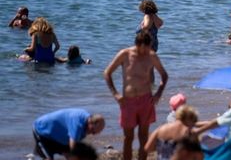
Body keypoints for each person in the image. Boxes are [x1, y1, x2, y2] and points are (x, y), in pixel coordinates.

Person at [104, 31, 169, 160]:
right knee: (128, 138)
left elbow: (164, 76)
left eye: (149, 47)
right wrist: (115, 94)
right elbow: (107, 73)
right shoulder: (125, 54)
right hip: (128, 102)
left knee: (143, 137)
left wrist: (158, 94)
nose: (147, 51)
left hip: (146, 100)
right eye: (145, 48)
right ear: (138, 45)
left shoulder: (151, 56)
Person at [32, 109, 105, 159]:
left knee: (70, 154)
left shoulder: (86, 124)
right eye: (92, 131)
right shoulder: (78, 123)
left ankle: (38, 152)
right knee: (49, 158)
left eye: (94, 133)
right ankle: (39, 152)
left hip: (58, 136)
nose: (90, 134)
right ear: (91, 123)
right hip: (42, 130)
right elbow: (72, 146)